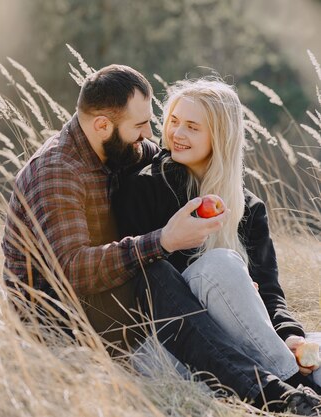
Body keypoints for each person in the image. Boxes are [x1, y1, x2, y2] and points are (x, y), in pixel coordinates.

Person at [1, 64, 321, 415]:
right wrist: (165, 240)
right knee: (157, 271)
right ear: (103, 126)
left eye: (156, 121)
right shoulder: (58, 173)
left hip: (147, 320)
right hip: (67, 325)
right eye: (142, 126)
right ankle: (283, 392)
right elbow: (73, 274)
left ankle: (289, 390)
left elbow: (269, 287)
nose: (154, 136)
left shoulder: (124, 151)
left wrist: (287, 330)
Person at [112, 78, 321, 391]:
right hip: (173, 348)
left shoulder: (248, 207)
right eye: (174, 122)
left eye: (193, 127)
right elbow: (147, 282)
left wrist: (290, 334)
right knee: (221, 266)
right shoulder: (145, 186)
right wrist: (229, 285)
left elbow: (270, 291)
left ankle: (289, 383)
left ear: (221, 135)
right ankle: (294, 387)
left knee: (315, 347)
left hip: (242, 348)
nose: (177, 134)